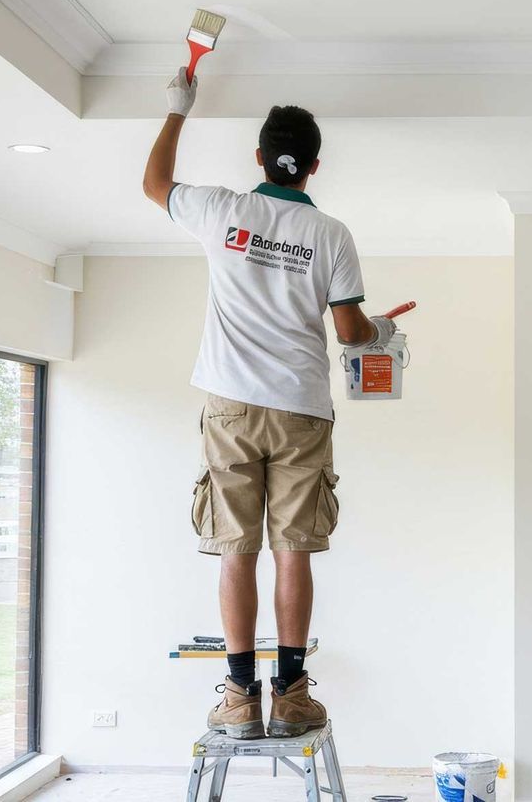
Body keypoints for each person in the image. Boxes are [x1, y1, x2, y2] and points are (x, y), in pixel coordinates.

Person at [142, 68, 398, 740]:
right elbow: (350, 332)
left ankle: (237, 697)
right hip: (301, 409)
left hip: (230, 405)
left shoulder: (222, 210)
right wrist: (379, 330)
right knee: (292, 551)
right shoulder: (332, 234)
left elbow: (155, 184)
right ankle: (289, 696)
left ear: (260, 157)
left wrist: (177, 109)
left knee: (236, 548)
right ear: (315, 165)